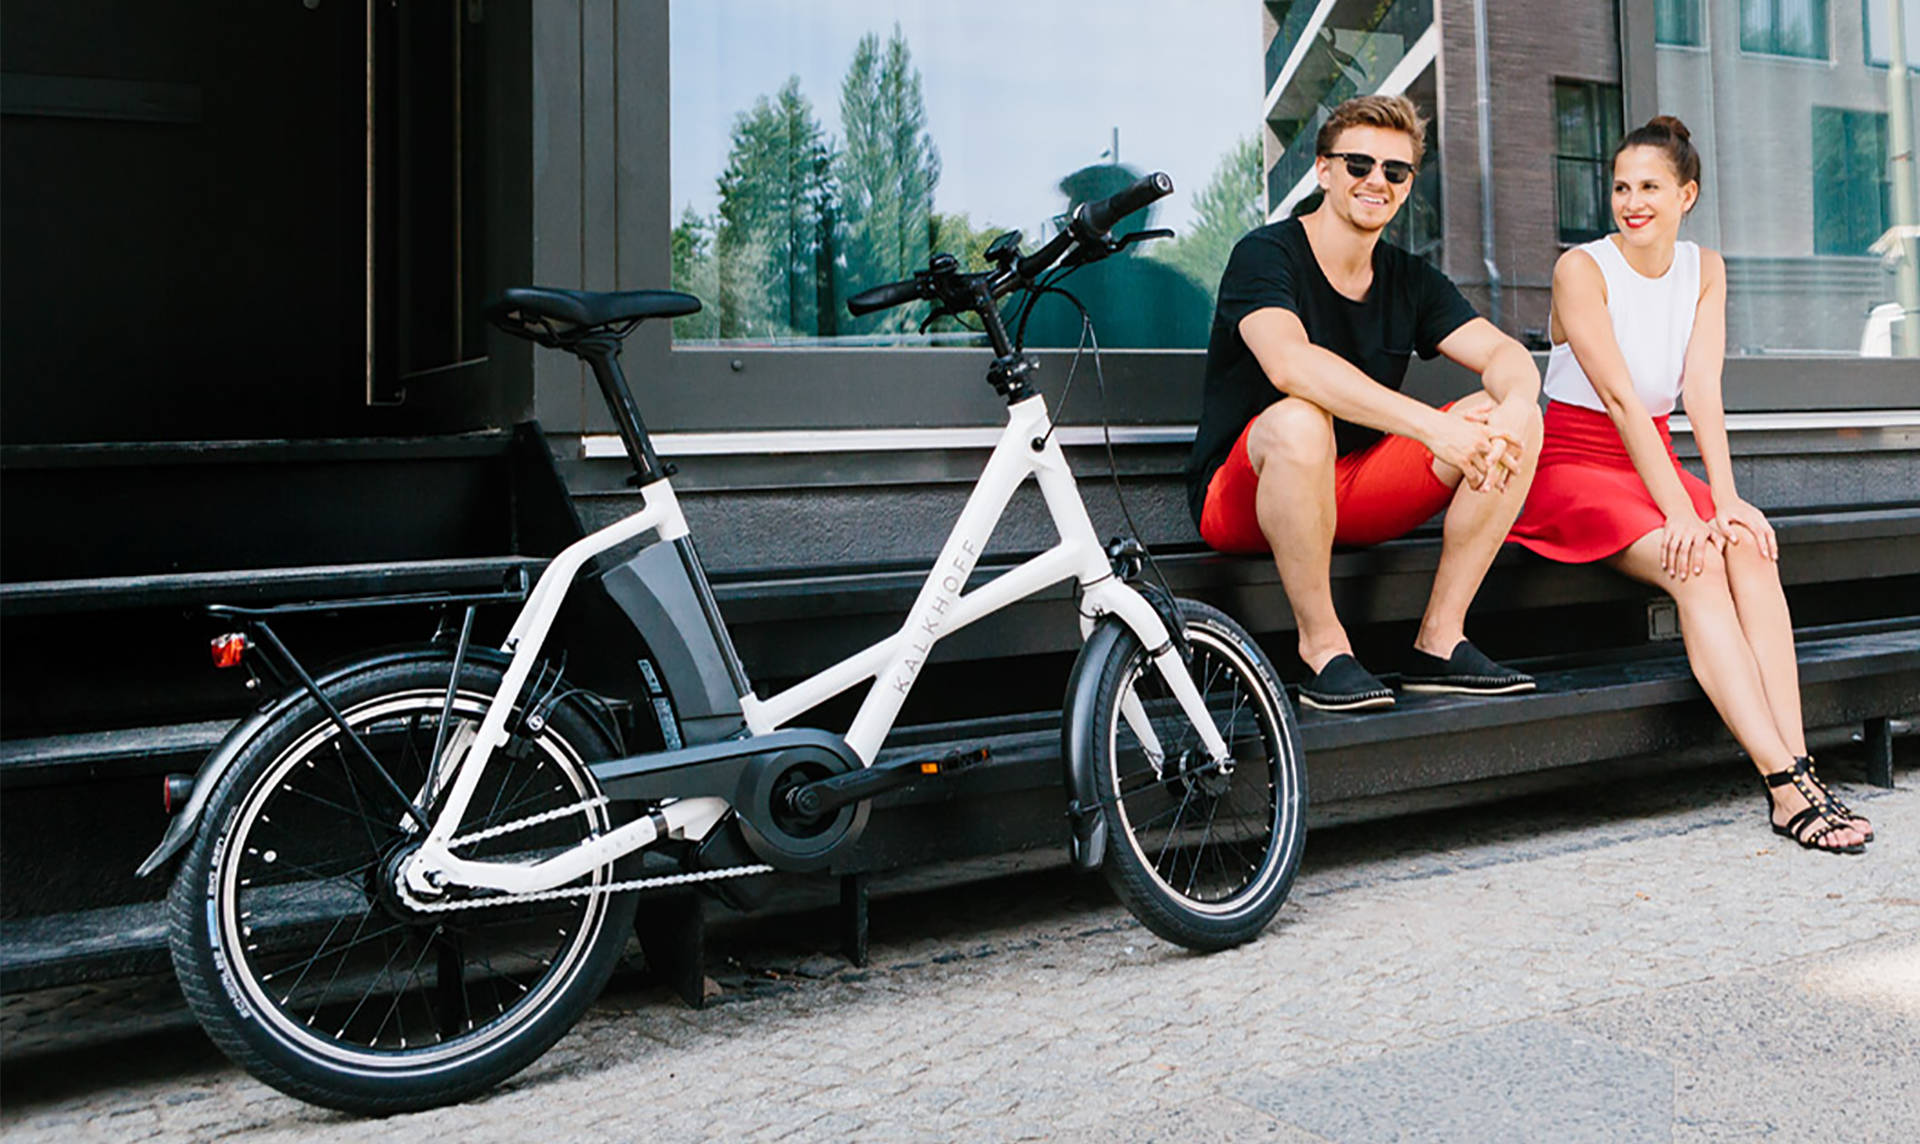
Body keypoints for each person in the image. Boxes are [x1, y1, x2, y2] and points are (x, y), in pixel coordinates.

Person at [1510, 116, 1873, 854]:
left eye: (1649, 187)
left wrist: (1725, 499)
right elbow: (1619, 400)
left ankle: (1802, 764)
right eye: (1621, 188)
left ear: (1687, 195)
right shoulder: (1582, 269)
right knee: (1698, 561)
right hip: (1575, 465)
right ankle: (1781, 785)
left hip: (1654, 462)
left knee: (1748, 546)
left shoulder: (1704, 269)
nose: (1631, 202)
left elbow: (1701, 391)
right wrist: (1681, 513)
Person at [1186, 94, 1542, 711]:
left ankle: (1439, 642)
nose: (1377, 180)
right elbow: (1290, 364)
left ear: (1407, 186)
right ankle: (1323, 650)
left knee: (1520, 419)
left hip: (1352, 491)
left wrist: (1512, 407)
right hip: (1246, 496)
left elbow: (1506, 354)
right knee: (1300, 420)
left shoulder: (1408, 277)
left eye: (1395, 171)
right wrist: (1432, 428)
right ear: (1324, 171)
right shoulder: (1265, 255)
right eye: (1359, 164)